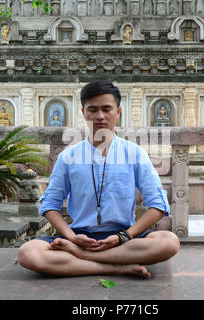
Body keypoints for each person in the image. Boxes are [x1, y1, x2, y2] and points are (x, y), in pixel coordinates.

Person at [17, 80, 180, 278]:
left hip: (122, 237)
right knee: (28, 253)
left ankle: (79, 257)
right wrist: (72, 237)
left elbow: (158, 205)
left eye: (106, 109)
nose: (100, 116)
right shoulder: (68, 156)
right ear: (83, 112)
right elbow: (50, 205)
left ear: (118, 112)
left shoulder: (135, 153)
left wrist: (124, 236)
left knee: (169, 242)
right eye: (93, 109)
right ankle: (114, 266)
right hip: (78, 236)